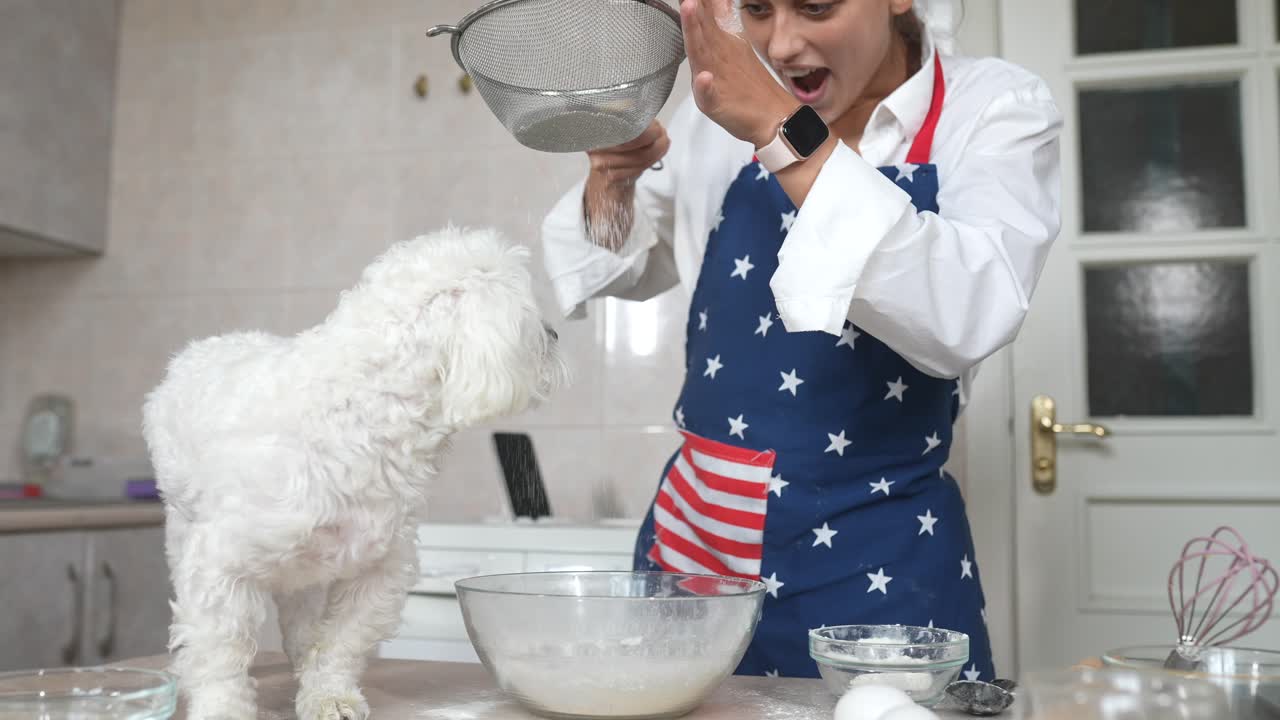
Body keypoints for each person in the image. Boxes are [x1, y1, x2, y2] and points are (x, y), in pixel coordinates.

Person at [541, 0, 1062, 680]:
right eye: (756, 9)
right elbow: (623, 262)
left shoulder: (992, 108)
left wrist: (780, 132)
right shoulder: (712, 116)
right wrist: (611, 183)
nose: (782, 45)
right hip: (701, 549)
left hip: (881, 564)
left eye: (816, 6)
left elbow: (968, 310)